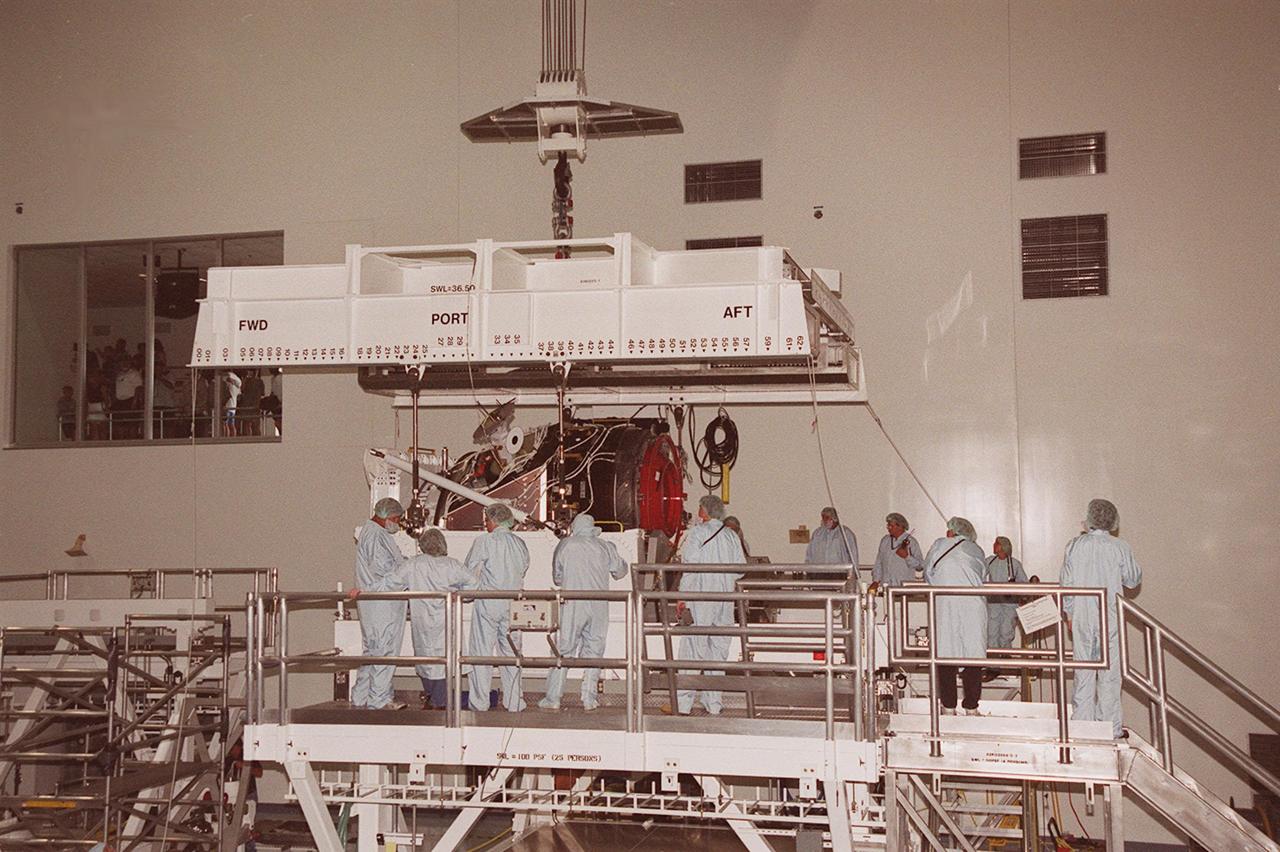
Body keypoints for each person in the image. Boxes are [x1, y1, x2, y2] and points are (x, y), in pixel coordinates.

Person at [1061, 498, 1142, 738]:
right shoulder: (1120, 546)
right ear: (1112, 520)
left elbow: (1066, 583)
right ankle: (1110, 728)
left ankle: (1082, 728)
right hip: (1110, 615)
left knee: (1083, 672)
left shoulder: (1074, 545)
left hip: (1082, 616)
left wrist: (1069, 613)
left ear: (1090, 519)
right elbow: (1132, 580)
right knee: (1110, 674)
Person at [540, 513, 628, 711]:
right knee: (594, 651)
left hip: (573, 604)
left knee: (563, 650)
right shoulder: (605, 546)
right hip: (599, 605)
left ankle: (553, 697)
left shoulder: (566, 545)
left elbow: (557, 578)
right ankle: (589, 699)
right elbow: (620, 572)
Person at [674, 495, 746, 715]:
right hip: (724, 601)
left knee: (693, 650)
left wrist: (682, 596)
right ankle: (713, 703)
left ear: (704, 511)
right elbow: (741, 569)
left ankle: (684, 704)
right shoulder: (731, 536)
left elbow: (689, 565)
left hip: (700, 598)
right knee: (718, 651)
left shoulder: (697, 533)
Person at [466, 503, 529, 712]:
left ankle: (479, 703)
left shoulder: (484, 541)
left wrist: (469, 593)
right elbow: (524, 568)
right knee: (511, 654)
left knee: (481, 654)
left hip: (489, 602)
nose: (485, 524)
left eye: (486, 520)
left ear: (493, 521)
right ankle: (514, 703)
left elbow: (470, 571)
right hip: (514, 604)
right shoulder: (520, 543)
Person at [405, 528, 477, 709]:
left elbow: (390, 582)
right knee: (445, 659)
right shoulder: (452, 565)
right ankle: (438, 700)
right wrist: (459, 595)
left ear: (422, 545)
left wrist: (365, 589)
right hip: (446, 618)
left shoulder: (414, 564)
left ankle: (434, 698)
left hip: (421, 619)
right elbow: (475, 585)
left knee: (425, 658)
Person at [924, 517, 989, 715]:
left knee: (945, 654)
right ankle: (971, 707)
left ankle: (948, 706)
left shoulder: (939, 545)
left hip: (946, 604)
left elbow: (929, 574)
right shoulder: (976, 550)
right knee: (973, 656)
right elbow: (984, 575)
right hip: (973, 605)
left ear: (952, 532)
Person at [348, 498, 408, 709]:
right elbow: (383, 570)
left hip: (378, 602)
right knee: (383, 650)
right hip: (382, 602)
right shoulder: (375, 535)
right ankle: (379, 700)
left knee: (373, 651)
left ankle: (360, 696)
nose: (397, 524)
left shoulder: (372, 533)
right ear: (389, 517)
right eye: (397, 520)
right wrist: (407, 573)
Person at [986, 536, 1028, 650]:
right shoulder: (989, 561)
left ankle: (1006, 657)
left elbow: (1024, 582)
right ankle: (993, 661)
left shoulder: (1015, 564)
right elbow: (980, 574)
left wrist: (1023, 598)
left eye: (997, 543)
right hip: (993, 603)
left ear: (1003, 546)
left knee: (1006, 631)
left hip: (1010, 603)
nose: (994, 545)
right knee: (991, 630)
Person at [871, 512, 924, 591]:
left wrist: (907, 557)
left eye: (891, 525)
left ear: (900, 527)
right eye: (888, 525)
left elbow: (920, 566)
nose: (888, 527)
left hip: (903, 588)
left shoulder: (912, 542)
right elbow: (879, 563)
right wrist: (876, 581)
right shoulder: (885, 541)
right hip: (886, 587)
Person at [222, 371, 242, 437]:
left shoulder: (227, 385)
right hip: (233, 407)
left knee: (225, 424)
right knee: (232, 424)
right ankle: (233, 437)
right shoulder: (237, 387)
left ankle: (226, 437)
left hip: (227, 406)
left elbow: (226, 395)